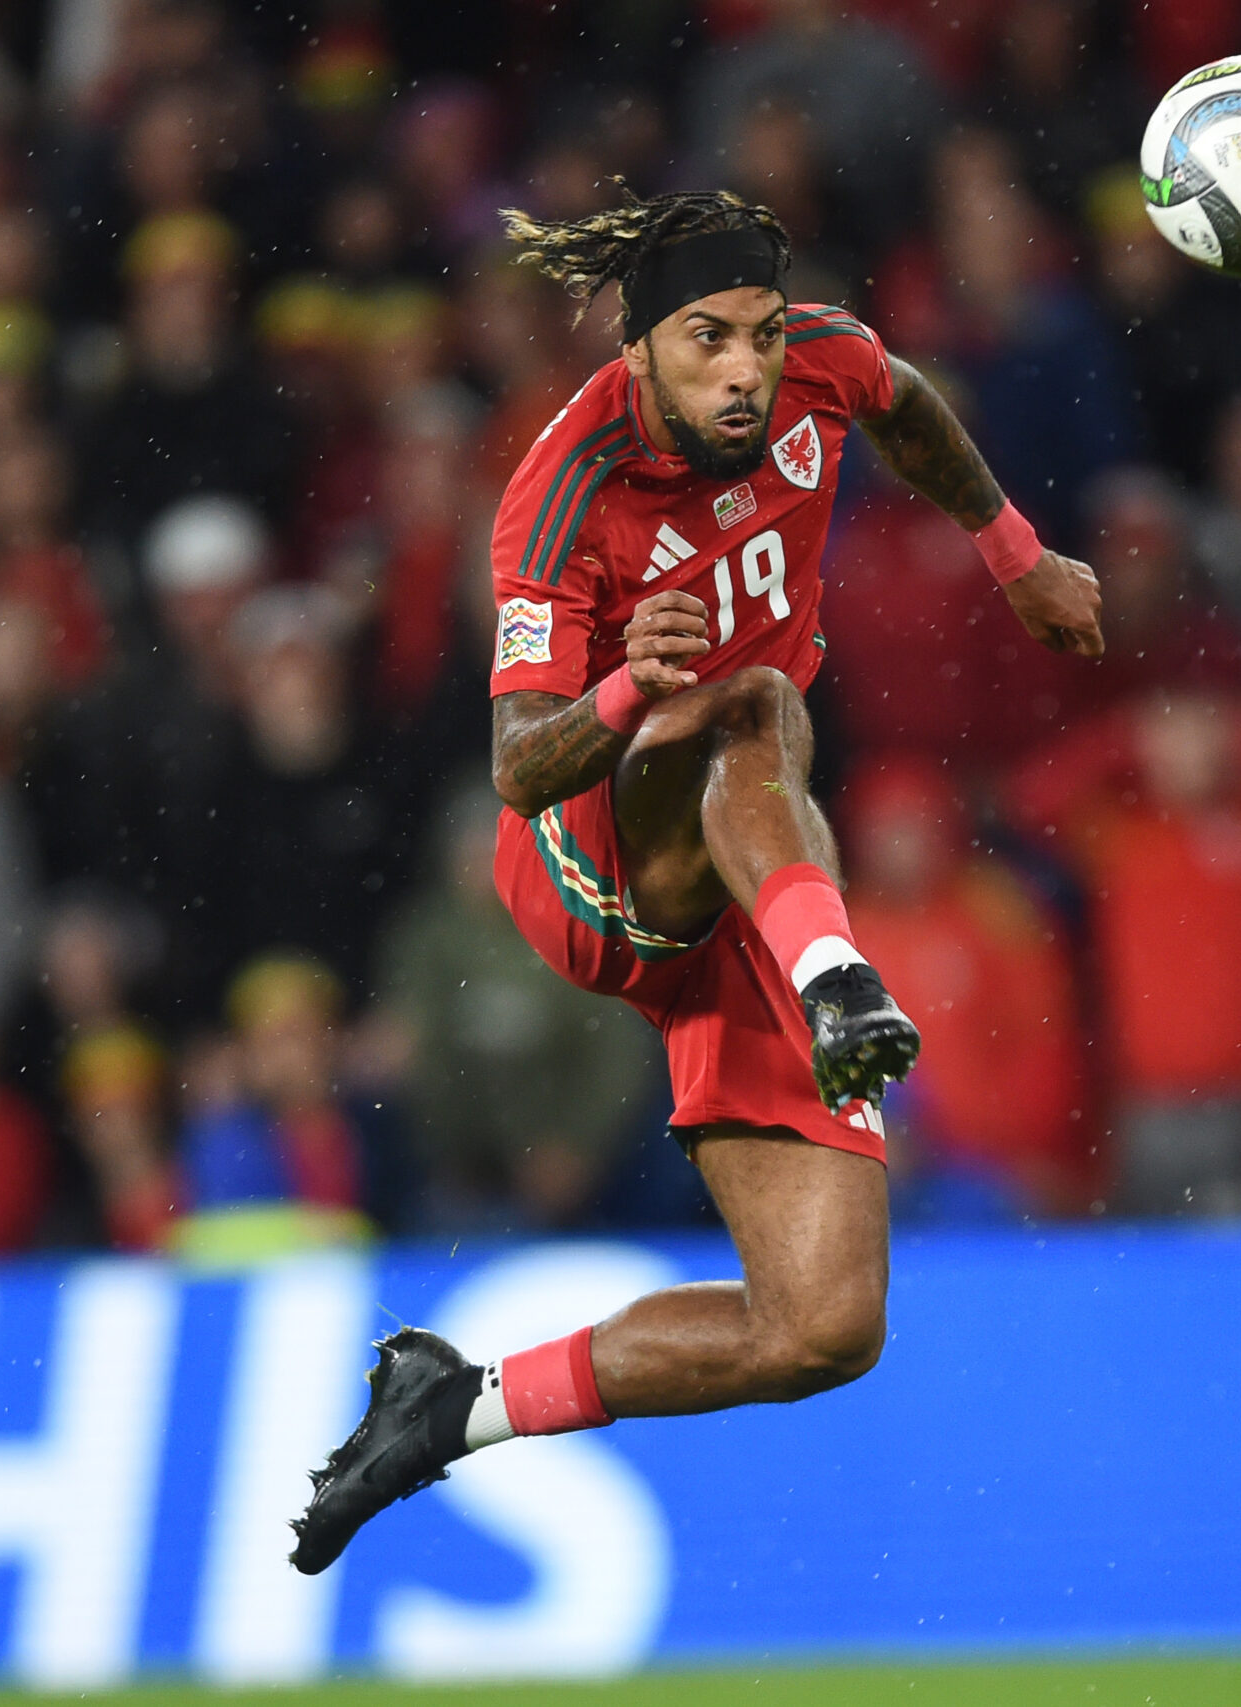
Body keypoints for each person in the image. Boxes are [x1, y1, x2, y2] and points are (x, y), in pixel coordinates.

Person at [290, 187, 1102, 1573]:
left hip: (748, 878)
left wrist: (1015, 558)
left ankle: (454, 1409)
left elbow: (904, 403)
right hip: (598, 866)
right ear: (640, 346)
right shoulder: (562, 489)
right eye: (710, 340)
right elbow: (516, 768)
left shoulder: (824, 366)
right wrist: (620, 689)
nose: (748, 370)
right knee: (752, 708)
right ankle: (841, 979)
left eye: (765, 338)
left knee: (823, 1328)